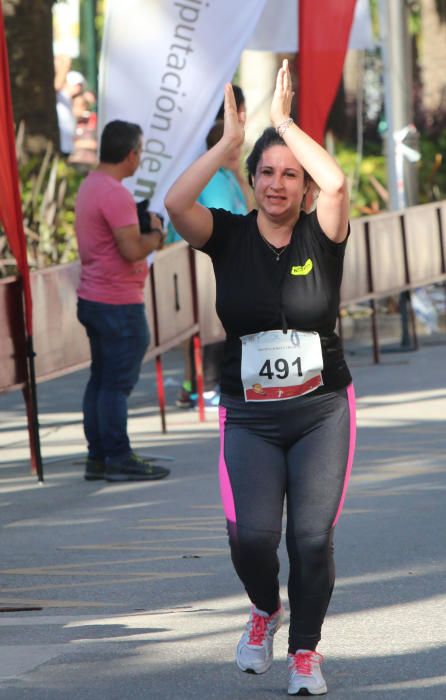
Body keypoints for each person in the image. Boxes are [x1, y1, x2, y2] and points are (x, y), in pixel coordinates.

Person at [165, 60, 356, 695]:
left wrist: (282, 123)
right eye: (267, 173)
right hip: (247, 412)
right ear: (251, 183)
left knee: (309, 539)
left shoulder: (322, 234)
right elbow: (174, 203)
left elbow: (337, 182)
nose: (278, 184)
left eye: (289, 175)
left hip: (321, 410)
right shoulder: (228, 236)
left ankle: (306, 651)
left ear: (303, 189)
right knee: (251, 539)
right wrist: (226, 144)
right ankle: (263, 610)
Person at [75, 120, 170, 483]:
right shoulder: (115, 194)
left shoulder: (90, 186)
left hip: (94, 296)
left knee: (100, 380)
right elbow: (131, 249)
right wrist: (156, 235)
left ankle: (98, 456)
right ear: (131, 154)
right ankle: (118, 456)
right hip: (118, 302)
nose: (140, 158)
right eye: (141, 151)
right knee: (115, 384)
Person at [168, 119, 248, 409]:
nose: (237, 154)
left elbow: (248, 211)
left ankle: (193, 386)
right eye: (232, 147)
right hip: (198, 261)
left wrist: (240, 177)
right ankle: (207, 385)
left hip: (204, 261)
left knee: (203, 327)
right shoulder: (213, 177)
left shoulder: (226, 175)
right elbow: (226, 220)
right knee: (211, 325)